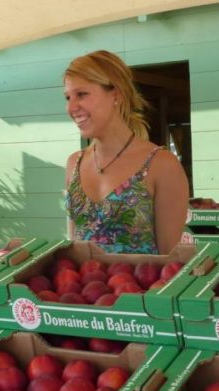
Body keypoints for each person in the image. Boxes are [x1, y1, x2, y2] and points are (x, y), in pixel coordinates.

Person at [63, 50, 189, 254]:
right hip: (83, 285)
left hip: (142, 285)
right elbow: (74, 250)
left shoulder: (161, 165)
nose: (71, 107)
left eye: (82, 94)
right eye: (67, 97)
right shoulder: (73, 165)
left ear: (116, 95)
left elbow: (169, 262)